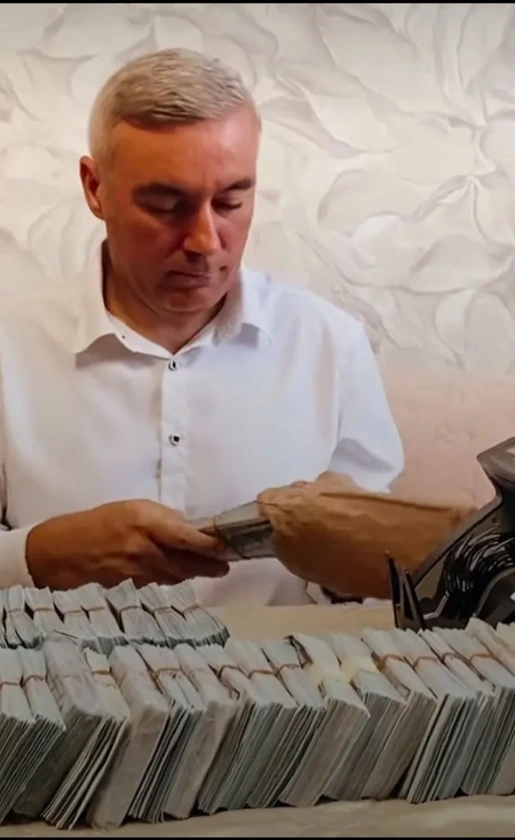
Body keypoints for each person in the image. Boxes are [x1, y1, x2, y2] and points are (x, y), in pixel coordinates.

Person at [0, 48, 404, 605]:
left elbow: (383, 578)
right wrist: (40, 555)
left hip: (287, 660)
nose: (206, 242)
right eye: (166, 205)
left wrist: (353, 551)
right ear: (95, 188)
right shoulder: (11, 348)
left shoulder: (331, 346)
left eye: (231, 201)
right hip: (60, 658)